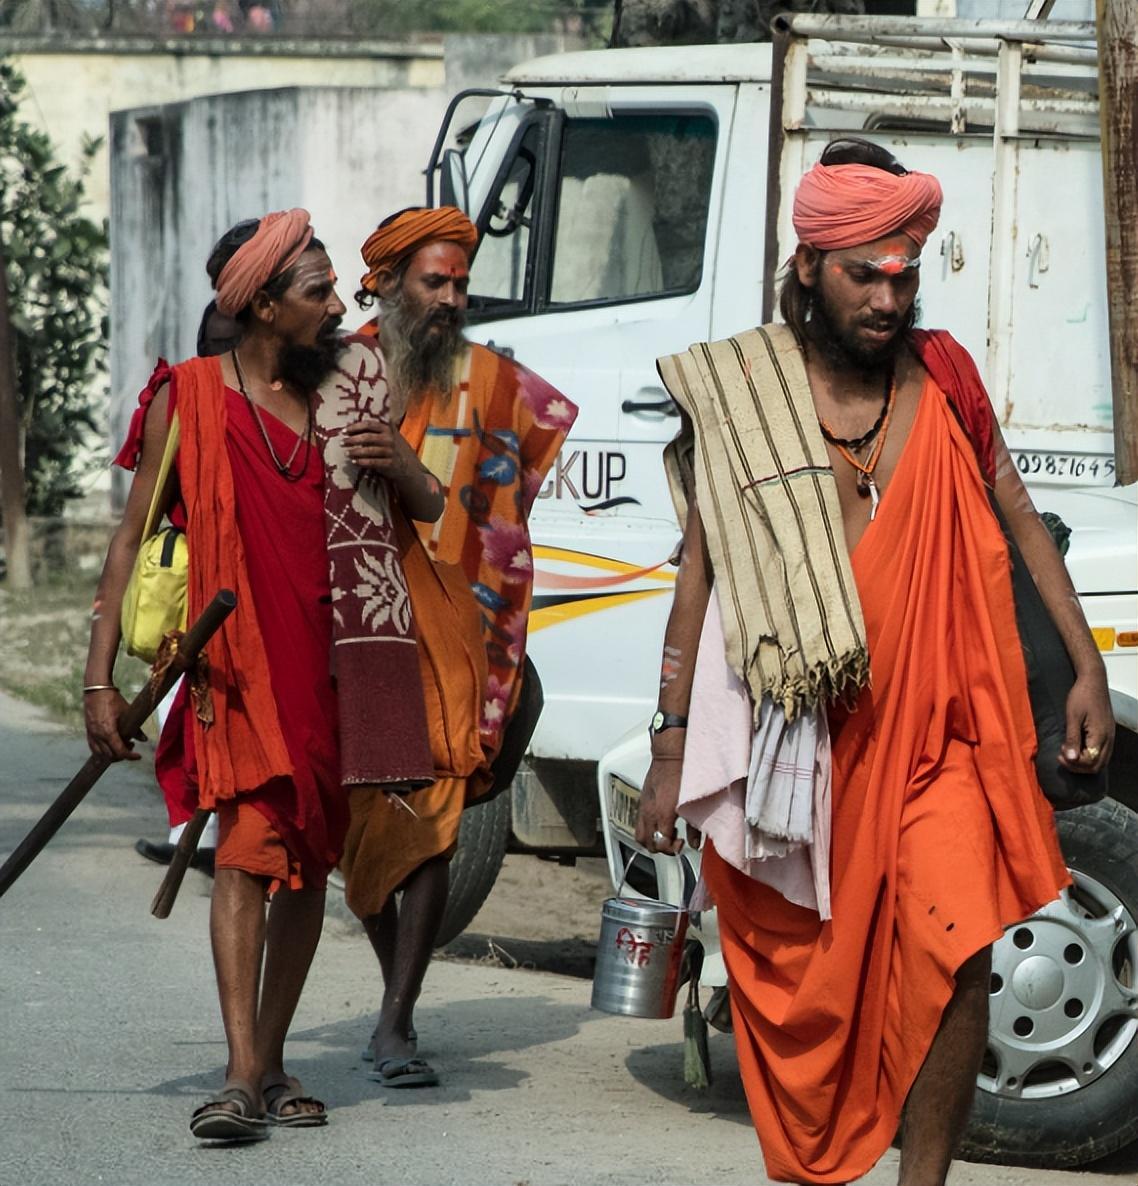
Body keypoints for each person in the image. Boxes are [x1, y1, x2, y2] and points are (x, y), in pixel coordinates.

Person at [635, 139, 1114, 1186]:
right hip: (803, 749)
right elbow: (699, 577)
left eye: (905, 274)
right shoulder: (747, 393)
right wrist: (672, 744)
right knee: (803, 991)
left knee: (959, 952)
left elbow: (1017, 514)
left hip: (939, 739)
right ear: (809, 266)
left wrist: (1083, 665)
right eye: (866, 274)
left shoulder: (943, 376)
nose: (889, 298)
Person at [84, 209, 437, 1140]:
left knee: (309, 863)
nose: (337, 306)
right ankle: (242, 1075)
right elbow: (127, 542)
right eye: (318, 291)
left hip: (330, 671)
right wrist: (97, 684)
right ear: (265, 305)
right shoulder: (188, 397)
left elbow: (431, 506)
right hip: (230, 671)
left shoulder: (350, 397)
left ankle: (271, 1058)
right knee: (246, 849)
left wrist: (397, 464)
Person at [340, 206, 578, 1087]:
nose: (450, 299)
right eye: (434, 283)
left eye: (460, 284)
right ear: (389, 282)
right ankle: (392, 991)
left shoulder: (498, 382)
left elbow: (518, 493)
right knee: (361, 829)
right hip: (356, 632)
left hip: (460, 639)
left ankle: (396, 1020)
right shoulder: (339, 371)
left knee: (438, 821)